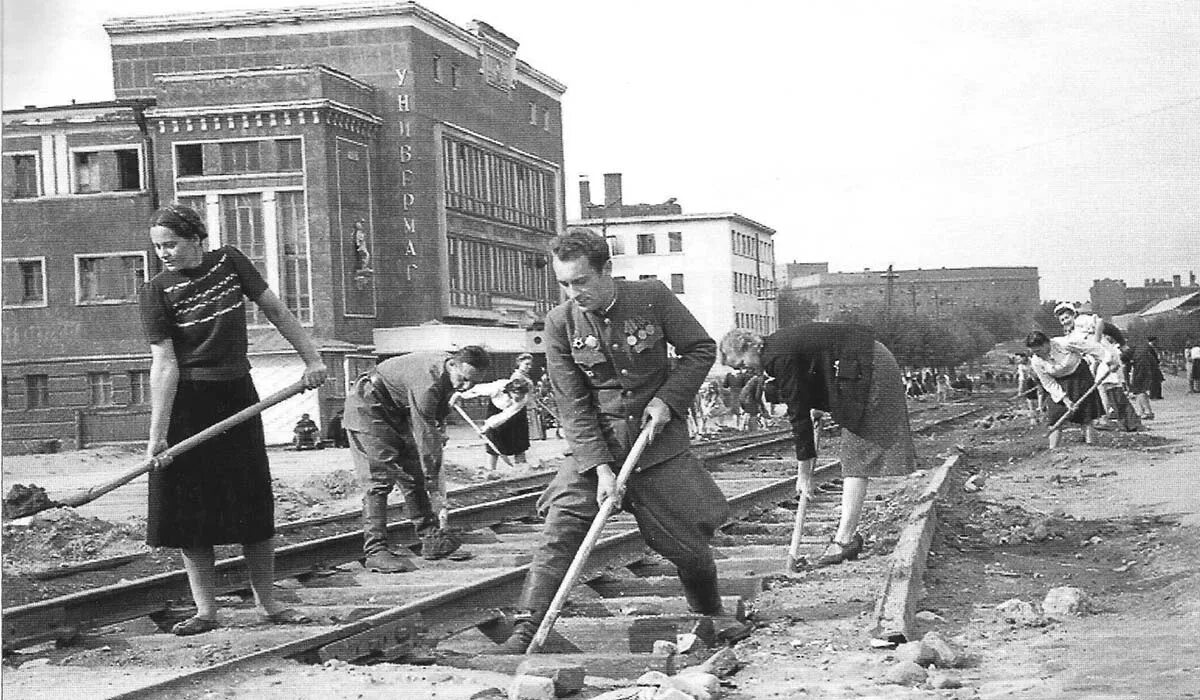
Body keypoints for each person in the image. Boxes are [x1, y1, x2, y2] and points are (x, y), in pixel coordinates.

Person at [494, 227, 728, 653]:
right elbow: (573, 403)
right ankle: (527, 628)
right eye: (563, 283)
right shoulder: (560, 323)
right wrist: (600, 469)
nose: (572, 293)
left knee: (689, 545)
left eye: (580, 282)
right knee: (560, 525)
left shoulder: (652, 297)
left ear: (607, 270)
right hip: (596, 449)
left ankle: (710, 614)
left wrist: (667, 400)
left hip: (657, 448)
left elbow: (699, 349)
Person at [140, 203, 328, 636]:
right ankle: (206, 612)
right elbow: (164, 364)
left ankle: (270, 604)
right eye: (158, 247)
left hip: (236, 396)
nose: (164, 254)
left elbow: (278, 312)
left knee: (251, 502)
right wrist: (158, 435)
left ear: (196, 239)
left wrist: (313, 359)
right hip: (187, 404)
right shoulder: (155, 291)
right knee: (188, 511)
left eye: (171, 244)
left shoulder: (230, 262)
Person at [720, 324, 917, 569]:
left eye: (740, 364)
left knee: (856, 454)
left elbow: (798, 417)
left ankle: (844, 541)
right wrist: (819, 403)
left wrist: (804, 475)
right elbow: (815, 371)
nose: (744, 370)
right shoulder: (776, 349)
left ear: (749, 346)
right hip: (865, 361)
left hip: (870, 366)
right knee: (854, 454)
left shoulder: (778, 356)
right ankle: (847, 538)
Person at [343, 347, 489, 573]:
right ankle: (375, 551)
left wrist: (439, 431)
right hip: (367, 406)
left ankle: (431, 539)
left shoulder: (447, 373)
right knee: (379, 479)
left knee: (413, 473)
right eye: (464, 379)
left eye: (473, 383)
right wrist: (434, 485)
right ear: (452, 365)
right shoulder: (428, 382)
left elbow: (434, 420)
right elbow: (425, 434)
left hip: (395, 409)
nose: (466, 387)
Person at [1025, 330, 1109, 448]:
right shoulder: (1036, 361)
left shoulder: (1065, 343)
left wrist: (1108, 361)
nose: (1037, 354)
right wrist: (1065, 400)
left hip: (1080, 377)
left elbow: (1093, 348)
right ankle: (1052, 451)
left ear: (1046, 343)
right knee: (1055, 416)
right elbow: (1048, 383)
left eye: (1038, 351)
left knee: (1085, 415)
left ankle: (1092, 448)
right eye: (1034, 352)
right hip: (1058, 382)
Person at [452, 373, 534, 470]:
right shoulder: (497, 387)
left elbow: (505, 415)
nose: (518, 398)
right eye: (516, 395)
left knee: (518, 443)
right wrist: (459, 395)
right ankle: (490, 470)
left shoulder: (522, 400)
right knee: (493, 440)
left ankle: (521, 468)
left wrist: (487, 426)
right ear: (510, 391)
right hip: (495, 409)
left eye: (520, 396)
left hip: (515, 417)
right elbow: (477, 390)